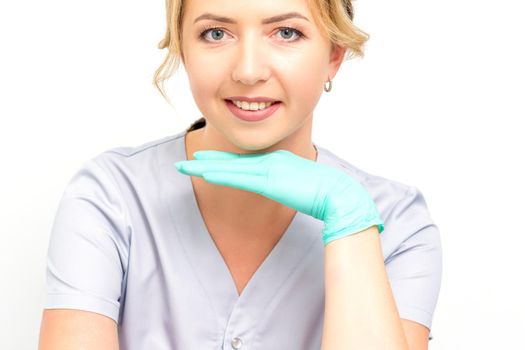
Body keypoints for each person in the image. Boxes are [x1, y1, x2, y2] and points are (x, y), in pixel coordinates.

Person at [38, 0, 442, 349]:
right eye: (215, 33)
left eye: (286, 32)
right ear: (182, 47)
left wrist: (351, 226)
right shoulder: (111, 197)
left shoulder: (398, 224)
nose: (248, 71)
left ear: (334, 55)